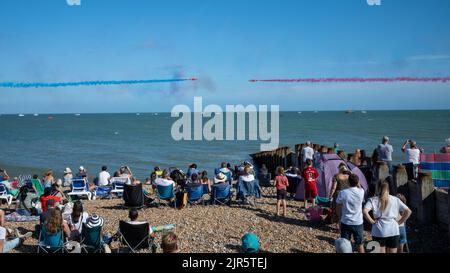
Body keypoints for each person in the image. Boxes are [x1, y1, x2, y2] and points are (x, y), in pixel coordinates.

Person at [363, 182, 412, 253]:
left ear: (378, 189)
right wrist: (399, 222)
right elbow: (408, 211)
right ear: (388, 189)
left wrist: (372, 221)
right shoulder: (395, 199)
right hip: (393, 230)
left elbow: (364, 211)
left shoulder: (373, 200)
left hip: (378, 230)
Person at [336, 174, 365, 253]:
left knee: (345, 245)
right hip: (358, 222)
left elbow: (338, 206)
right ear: (357, 182)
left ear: (348, 182)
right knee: (360, 244)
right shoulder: (361, 191)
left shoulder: (343, 193)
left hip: (345, 220)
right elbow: (359, 186)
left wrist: (339, 217)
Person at [329, 164, 351, 228]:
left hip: (338, 194)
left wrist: (330, 195)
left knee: (337, 210)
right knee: (345, 209)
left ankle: (338, 225)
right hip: (347, 194)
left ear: (339, 169)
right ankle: (345, 225)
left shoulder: (336, 176)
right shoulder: (349, 176)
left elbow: (333, 188)